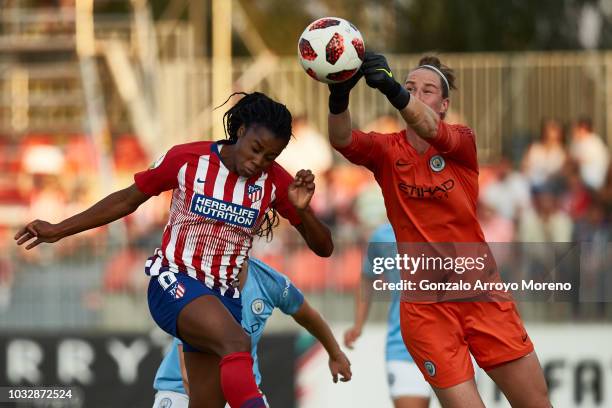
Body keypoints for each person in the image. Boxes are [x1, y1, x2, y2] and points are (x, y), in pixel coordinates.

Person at [15, 92, 334, 408]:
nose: (258, 161)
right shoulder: (187, 160)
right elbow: (127, 199)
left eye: (270, 157)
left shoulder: (276, 182)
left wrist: (302, 211)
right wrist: (58, 229)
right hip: (174, 281)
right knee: (237, 342)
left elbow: (324, 248)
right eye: (256, 149)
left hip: (224, 299)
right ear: (240, 131)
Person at [325, 53, 551, 407]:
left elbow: (428, 127)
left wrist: (393, 90)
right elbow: (341, 139)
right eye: (410, 86)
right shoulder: (387, 151)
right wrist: (338, 94)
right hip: (425, 309)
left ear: (444, 105)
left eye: (426, 90)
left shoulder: (462, 141)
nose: (414, 93)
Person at [153, 257, 351, 408]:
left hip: (242, 388)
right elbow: (187, 375)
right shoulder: (196, 284)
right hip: (181, 392)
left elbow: (308, 315)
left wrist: (335, 353)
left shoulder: (268, 281)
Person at [344, 223, 431, 408]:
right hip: (404, 347)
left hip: (455, 345)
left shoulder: (447, 224)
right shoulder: (383, 235)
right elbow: (366, 277)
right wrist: (358, 324)